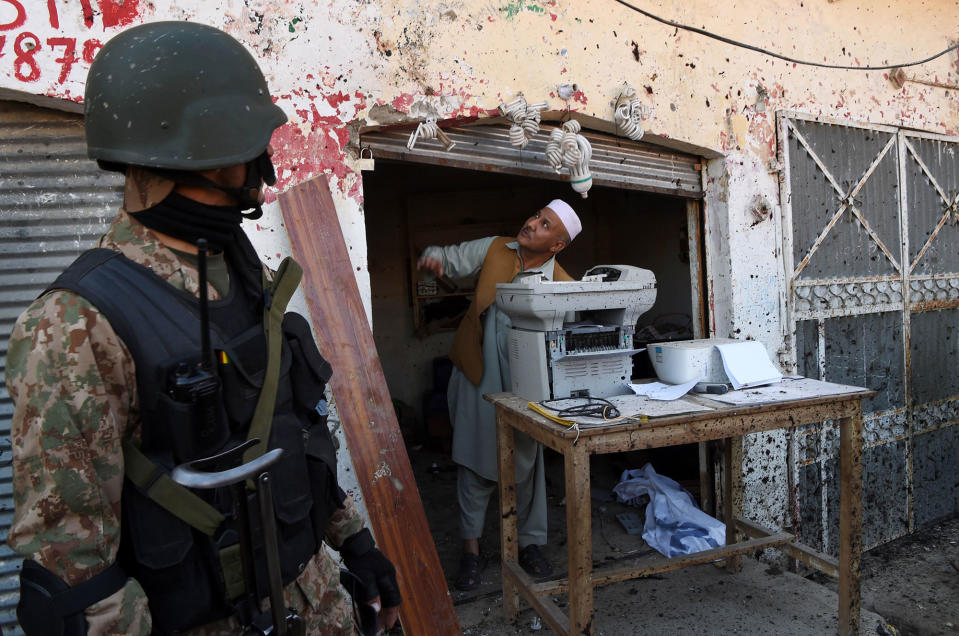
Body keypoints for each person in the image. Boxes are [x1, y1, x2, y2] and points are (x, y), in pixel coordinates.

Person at [6, 21, 400, 635]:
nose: (263, 174)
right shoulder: (74, 326)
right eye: (246, 148)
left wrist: (354, 546)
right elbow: (74, 573)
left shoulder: (239, 266)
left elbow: (289, 434)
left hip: (312, 600)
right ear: (200, 153)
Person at [417, 200, 582, 590]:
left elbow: (581, 328)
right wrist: (434, 258)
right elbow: (449, 257)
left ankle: (530, 545)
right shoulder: (495, 247)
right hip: (476, 375)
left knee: (526, 466)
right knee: (474, 465)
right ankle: (471, 551)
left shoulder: (563, 285)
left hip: (524, 389)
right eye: (536, 216)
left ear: (556, 245)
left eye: (545, 226)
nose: (531, 224)